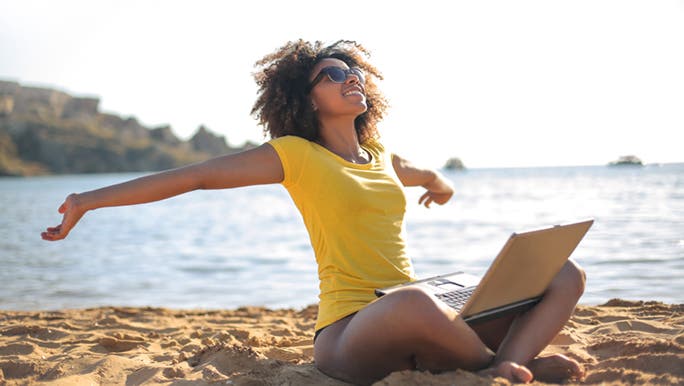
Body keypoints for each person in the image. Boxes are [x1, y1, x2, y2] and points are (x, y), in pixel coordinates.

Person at [42, 40, 586, 385]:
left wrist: (439, 186)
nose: (350, 75)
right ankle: (509, 368)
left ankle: (507, 360)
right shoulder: (297, 156)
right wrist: (88, 200)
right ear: (307, 100)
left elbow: (419, 173)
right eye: (332, 73)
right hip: (352, 331)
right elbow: (195, 176)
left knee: (563, 271)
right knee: (414, 302)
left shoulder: (379, 156)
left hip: (421, 309)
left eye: (353, 69)